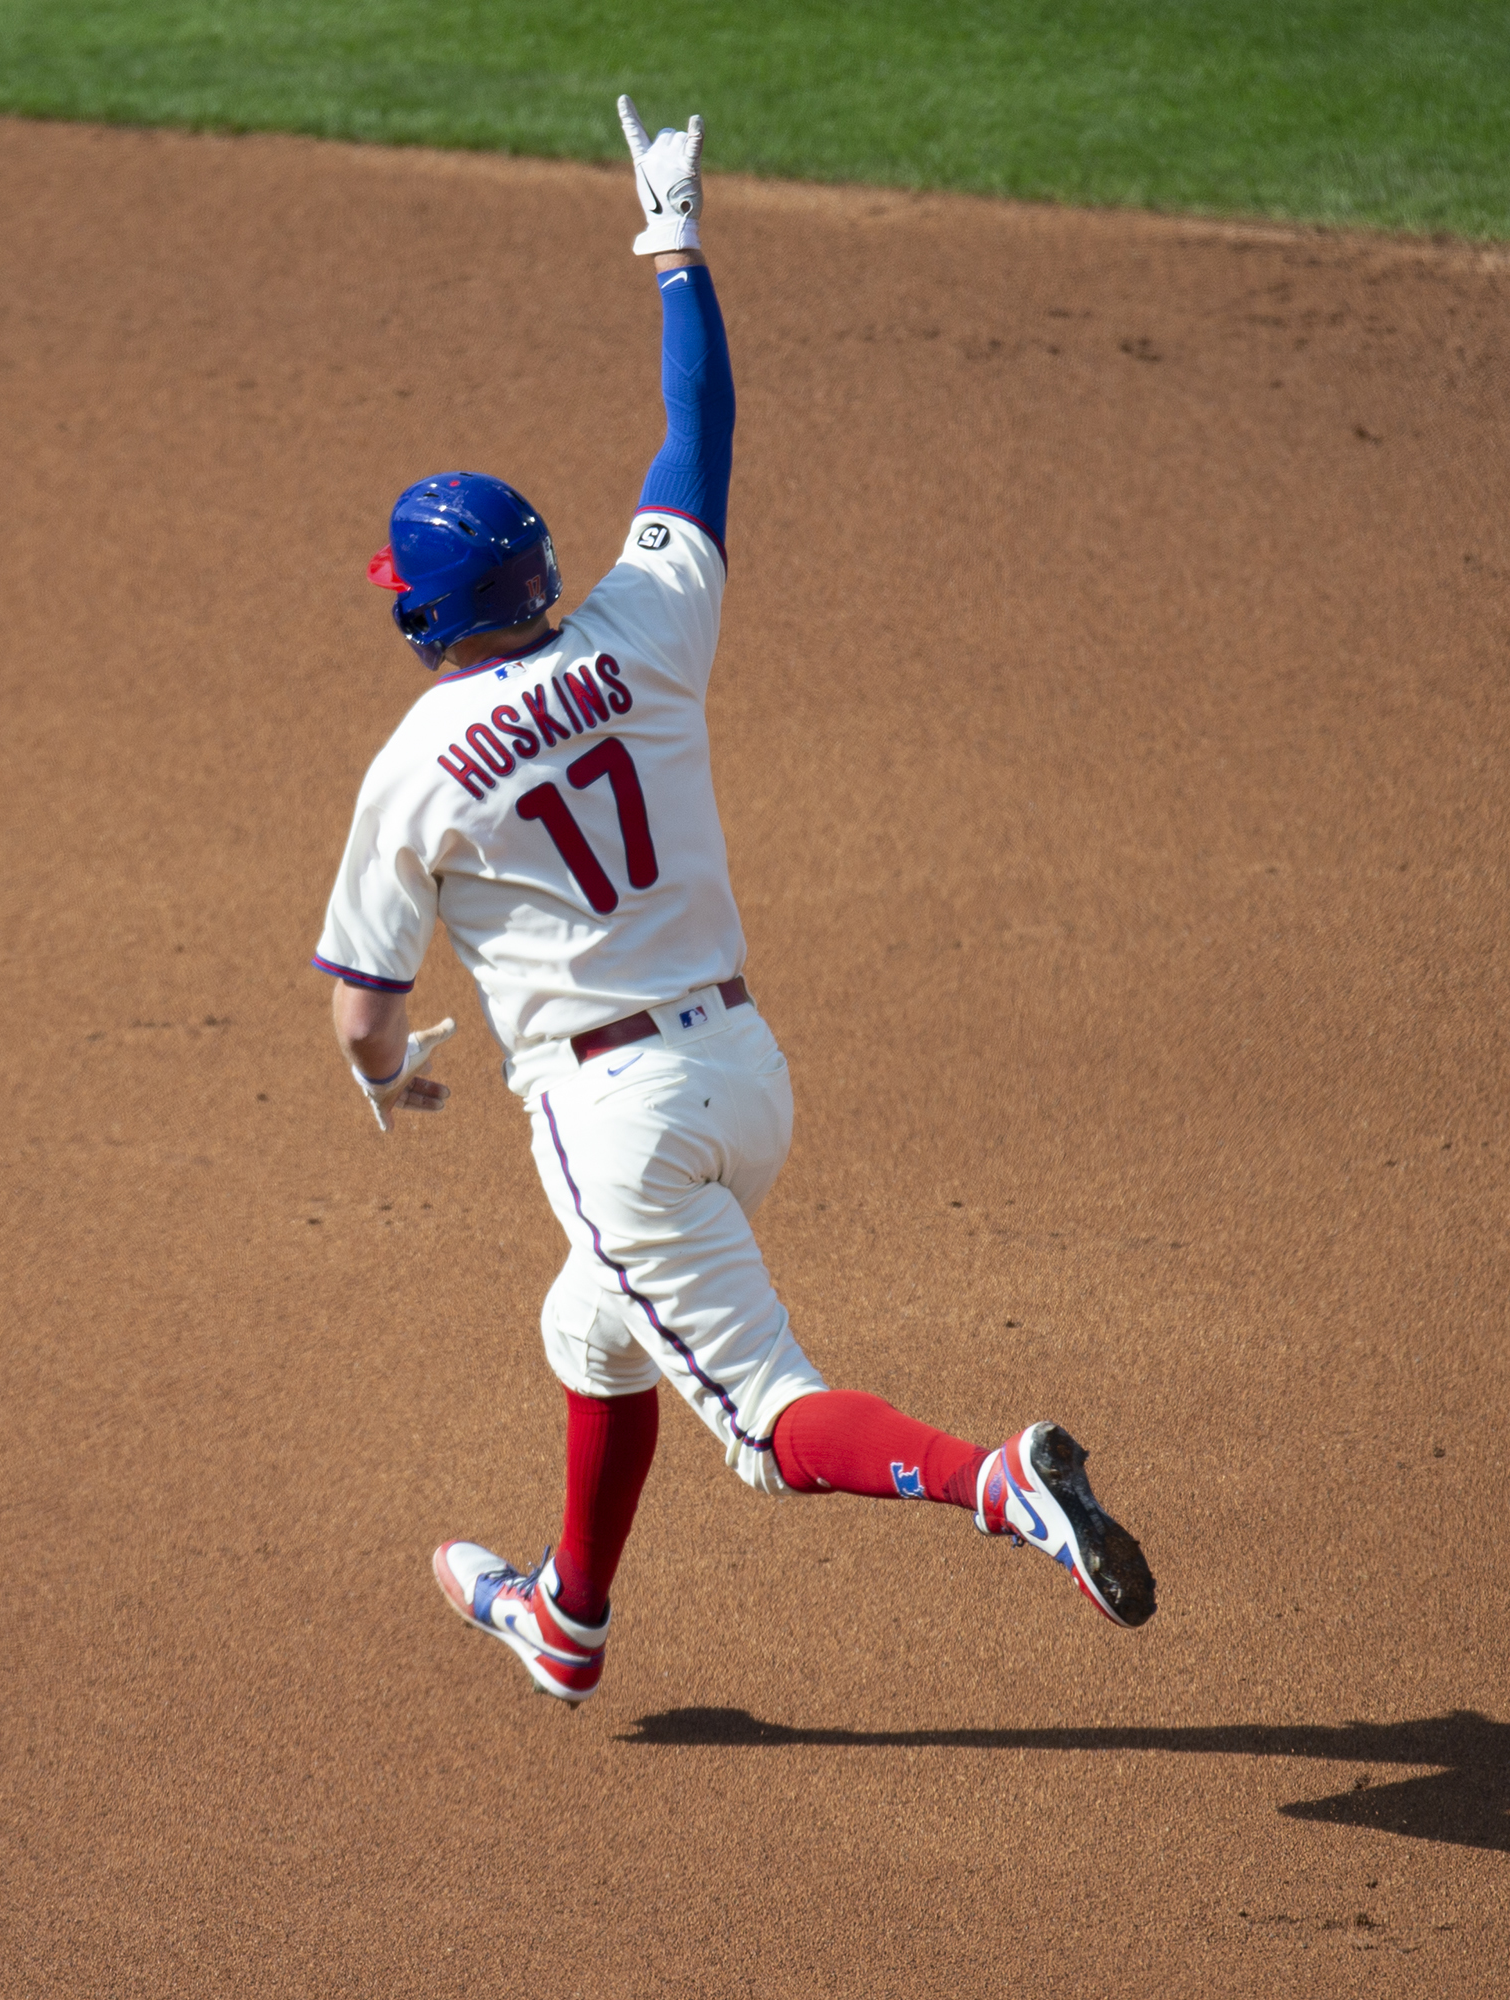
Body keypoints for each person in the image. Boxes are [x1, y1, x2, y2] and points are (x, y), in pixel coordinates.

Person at [312, 98, 1155, 1703]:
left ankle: (1003, 1487)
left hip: (613, 1120)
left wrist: (389, 1075)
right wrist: (672, 235)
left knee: (770, 1427)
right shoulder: (646, 622)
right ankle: (567, 1620)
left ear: (419, 613)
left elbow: (362, 1014)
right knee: (593, 1334)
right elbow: (700, 434)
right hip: (745, 1082)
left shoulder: (413, 767)